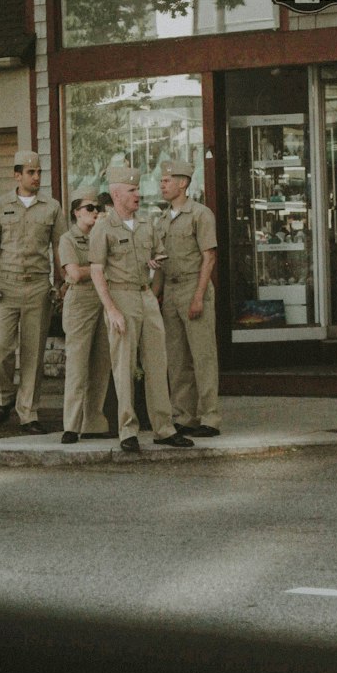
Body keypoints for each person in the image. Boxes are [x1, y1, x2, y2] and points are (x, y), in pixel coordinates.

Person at [88, 165, 193, 455]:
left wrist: (154, 265)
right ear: (117, 193)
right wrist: (111, 310)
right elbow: (97, 271)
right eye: (133, 191)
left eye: (138, 189)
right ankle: (127, 430)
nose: (139, 194)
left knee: (158, 363)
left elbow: (157, 255)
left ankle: (164, 428)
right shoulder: (103, 228)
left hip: (146, 296)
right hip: (121, 297)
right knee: (123, 366)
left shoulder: (147, 223)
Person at [0, 150, 63, 434]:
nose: (37, 177)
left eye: (39, 172)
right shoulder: (1, 205)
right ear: (17, 175)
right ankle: (4, 397)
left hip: (38, 284)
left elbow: (58, 247)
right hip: (7, 285)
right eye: (31, 172)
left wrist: (60, 282)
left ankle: (28, 412)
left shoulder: (51, 207)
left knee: (33, 353)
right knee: (1, 348)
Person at [158, 158, 220, 437]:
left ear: (182, 183)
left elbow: (209, 256)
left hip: (194, 287)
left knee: (203, 356)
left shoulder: (200, 214)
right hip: (170, 291)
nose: (162, 185)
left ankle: (209, 417)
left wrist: (198, 296)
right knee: (177, 358)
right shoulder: (161, 219)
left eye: (167, 180)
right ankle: (184, 416)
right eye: (162, 180)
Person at [58, 195, 111, 444]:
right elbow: (75, 273)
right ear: (76, 212)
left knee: (101, 363)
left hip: (105, 300)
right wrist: (100, 267)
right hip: (81, 301)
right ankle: (71, 424)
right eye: (89, 208)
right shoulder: (68, 239)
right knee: (78, 365)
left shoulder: (103, 235)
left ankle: (93, 421)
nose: (95, 212)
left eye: (98, 208)